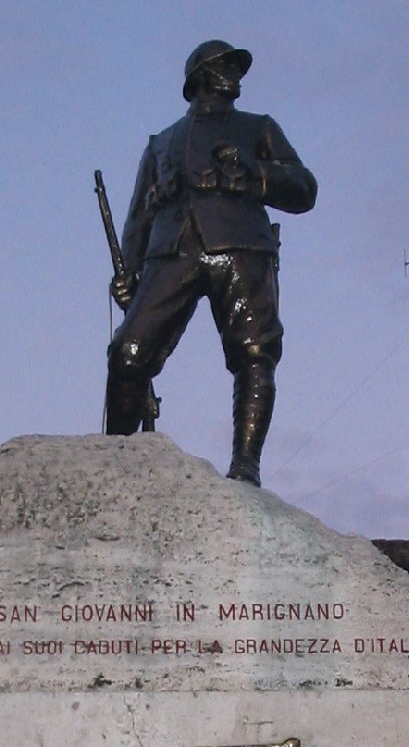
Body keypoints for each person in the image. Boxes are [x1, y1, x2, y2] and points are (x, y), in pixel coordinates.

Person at [105, 40, 317, 486]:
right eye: (226, 66)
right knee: (128, 354)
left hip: (243, 245)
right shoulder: (161, 143)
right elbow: (139, 216)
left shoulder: (259, 128)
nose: (236, 74)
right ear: (199, 75)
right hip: (173, 249)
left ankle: (246, 466)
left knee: (255, 353)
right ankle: (115, 465)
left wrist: (255, 173)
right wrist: (129, 271)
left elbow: (303, 188)